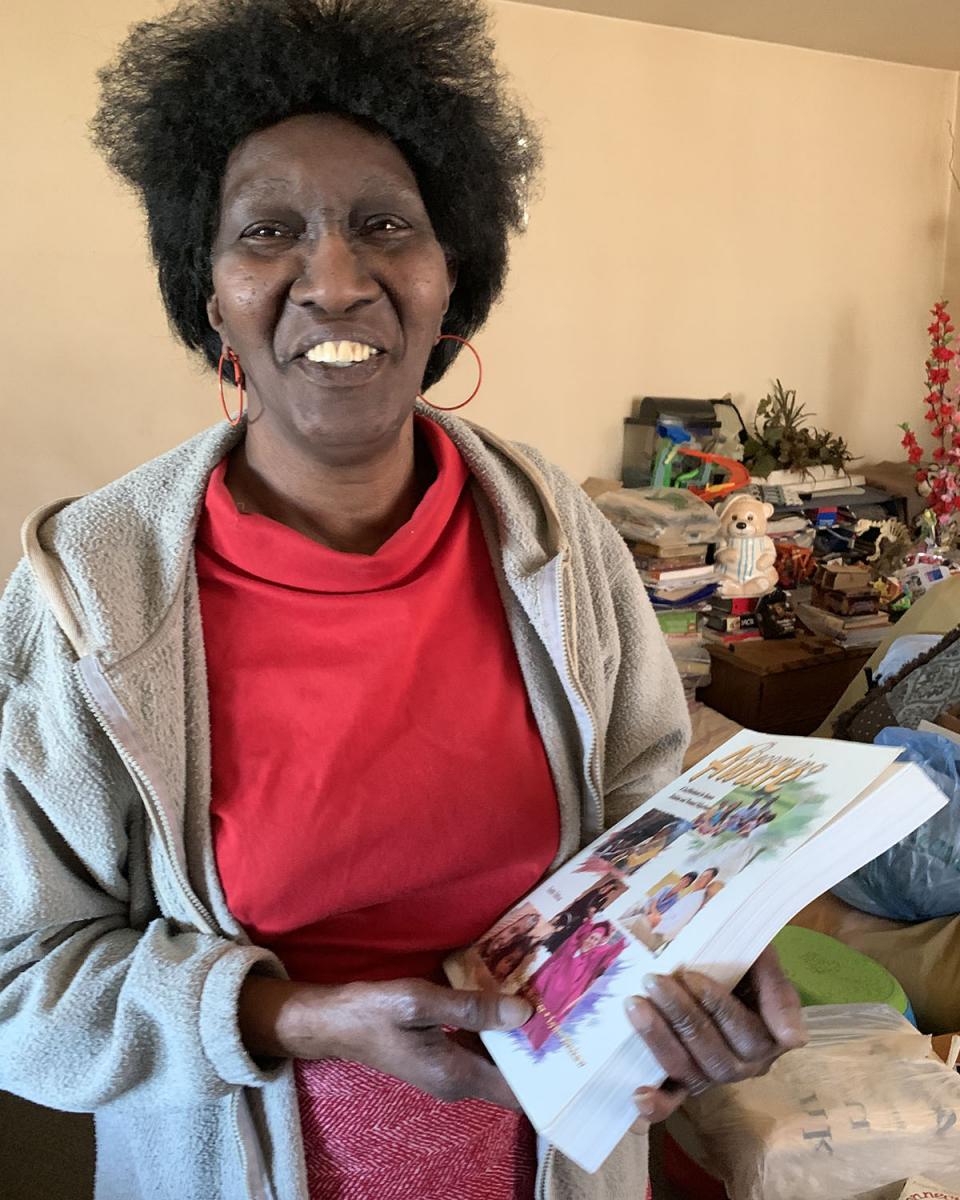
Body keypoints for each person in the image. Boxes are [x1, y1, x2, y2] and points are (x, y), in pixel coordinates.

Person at [0, 3, 806, 1199]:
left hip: (554, 1161)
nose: (333, 279)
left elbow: (648, 829)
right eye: (269, 232)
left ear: (449, 280)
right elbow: (24, 986)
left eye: (385, 225)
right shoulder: (91, 590)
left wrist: (704, 965)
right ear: (209, 294)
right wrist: (291, 1017)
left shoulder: (560, 537)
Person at [522, 921, 624, 1051]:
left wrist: (622, 937)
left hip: (562, 1002)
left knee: (544, 1026)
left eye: (596, 940)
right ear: (586, 936)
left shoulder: (591, 961)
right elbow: (580, 931)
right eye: (591, 937)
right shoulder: (571, 948)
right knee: (530, 1017)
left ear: (598, 944)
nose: (591, 942)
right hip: (546, 992)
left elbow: (611, 952)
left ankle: (531, 1046)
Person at [654, 868, 721, 944]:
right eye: (701, 876)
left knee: (638, 919)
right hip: (659, 926)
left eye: (705, 878)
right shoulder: (692, 895)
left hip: (660, 933)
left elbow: (678, 923)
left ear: (709, 883)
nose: (700, 879)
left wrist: (656, 925)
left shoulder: (696, 899)